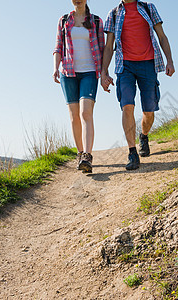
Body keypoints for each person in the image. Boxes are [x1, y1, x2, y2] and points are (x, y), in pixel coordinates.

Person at [101, 0, 175, 171]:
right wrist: (104, 72)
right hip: (124, 66)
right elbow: (109, 46)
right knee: (127, 105)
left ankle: (144, 136)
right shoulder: (113, 14)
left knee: (149, 110)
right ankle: (132, 152)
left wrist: (169, 60)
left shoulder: (148, 8)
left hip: (148, 64)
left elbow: (162, 36)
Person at [53, 0, 105, 173]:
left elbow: (103, 48)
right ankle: (80, 153)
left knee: (85, 112)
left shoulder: (96, 21)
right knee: (74, 116)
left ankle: (88, 156)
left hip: (90, 72)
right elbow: (58, 47)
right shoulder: (63, 20)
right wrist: (55, 68)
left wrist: (104, 73)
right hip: (68, 73)